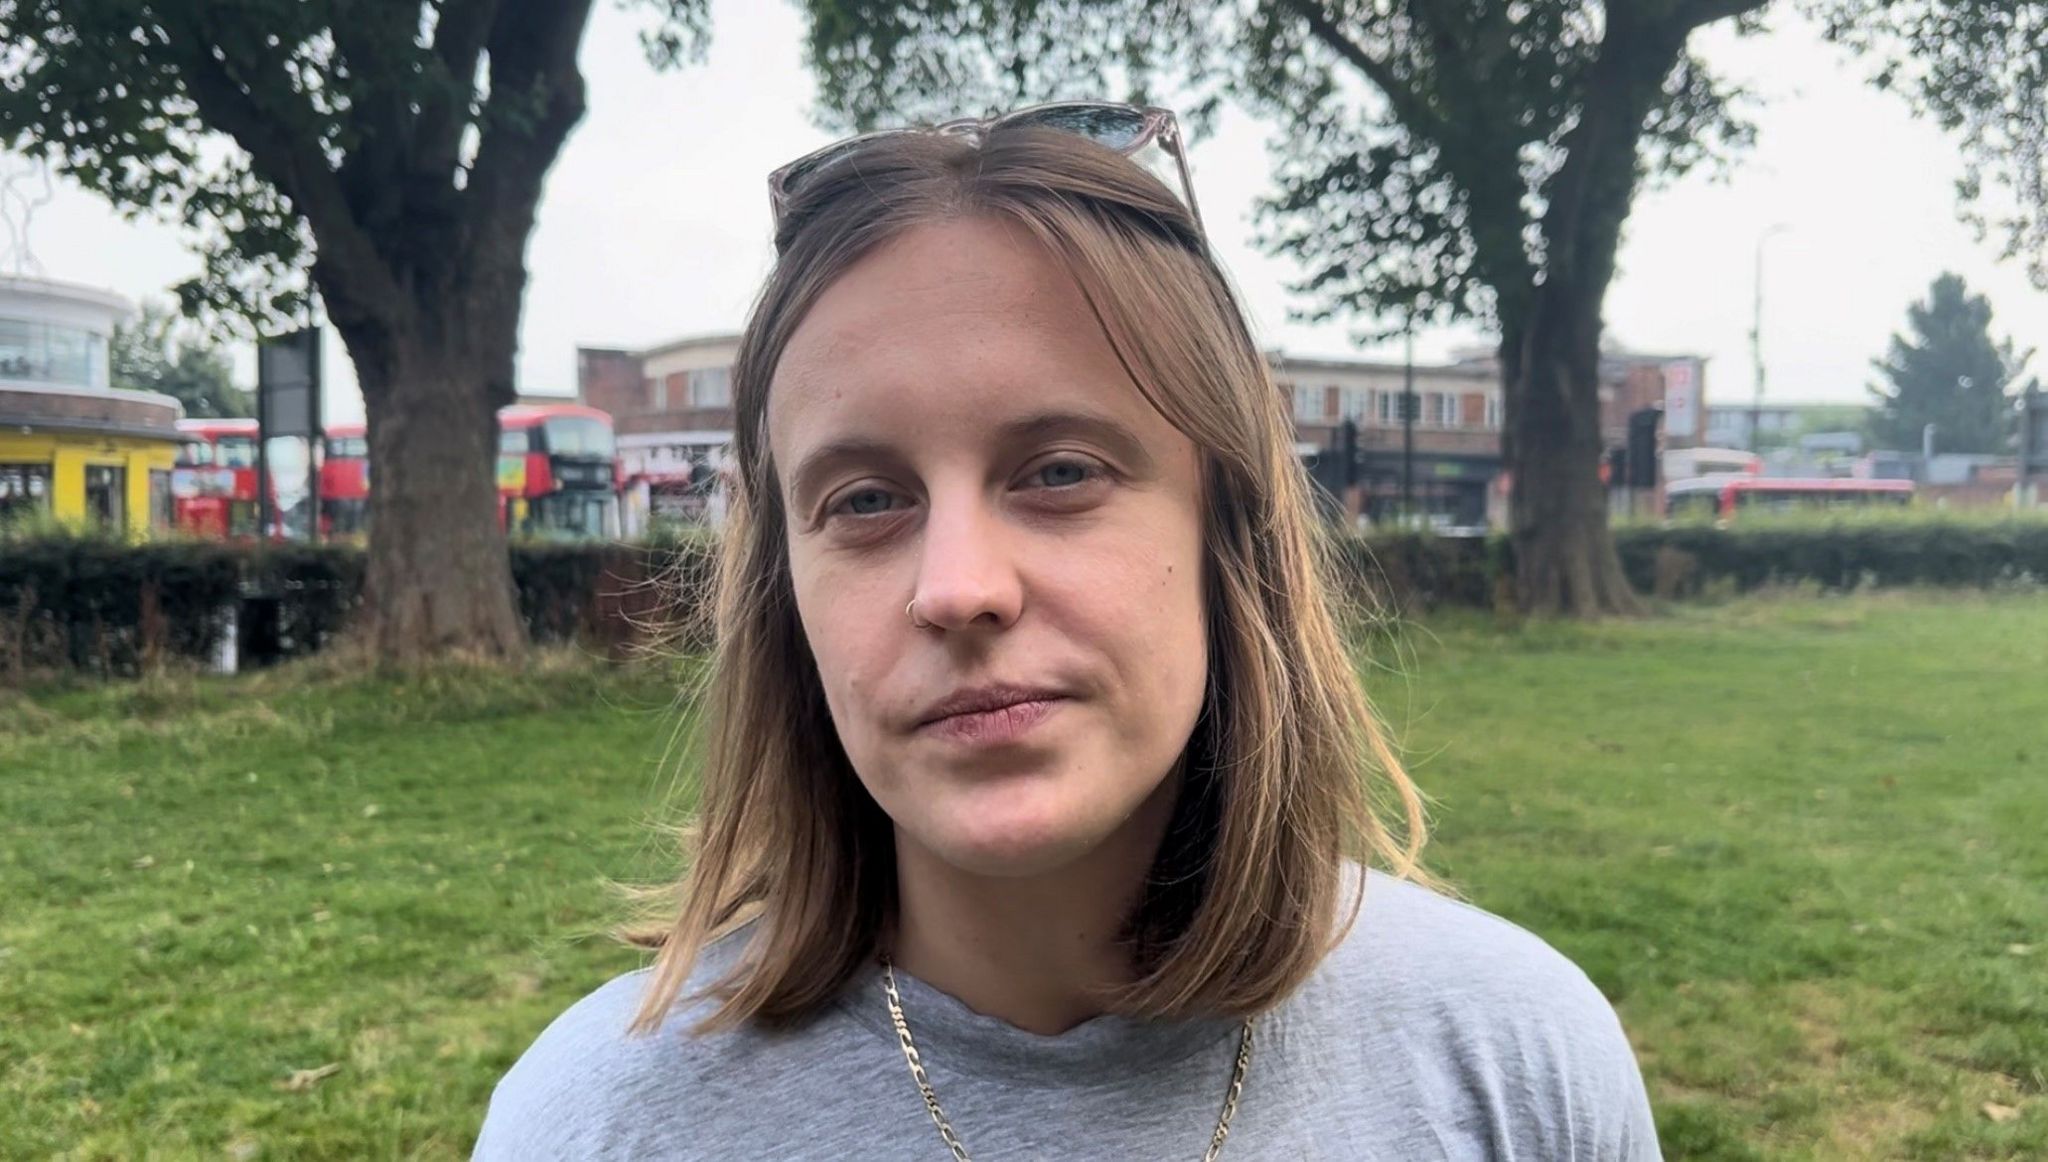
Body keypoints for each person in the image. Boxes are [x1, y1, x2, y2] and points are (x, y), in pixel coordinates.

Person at [474, 102, 1660, 1160]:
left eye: (1056, 471)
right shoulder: (596, 1124)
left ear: (1226, 529)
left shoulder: (1514, 1063)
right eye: (866, 501)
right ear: (784, 592)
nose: (957, 587)